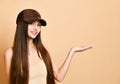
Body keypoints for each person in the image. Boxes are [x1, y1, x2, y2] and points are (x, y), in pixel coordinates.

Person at [4, 9, 92, 84]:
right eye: (32, 23)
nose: (36, 28)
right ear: (22, 26)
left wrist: (72, 51)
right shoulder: (10, 54)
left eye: (38, 25)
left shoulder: (42, 49)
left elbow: (58, 76)